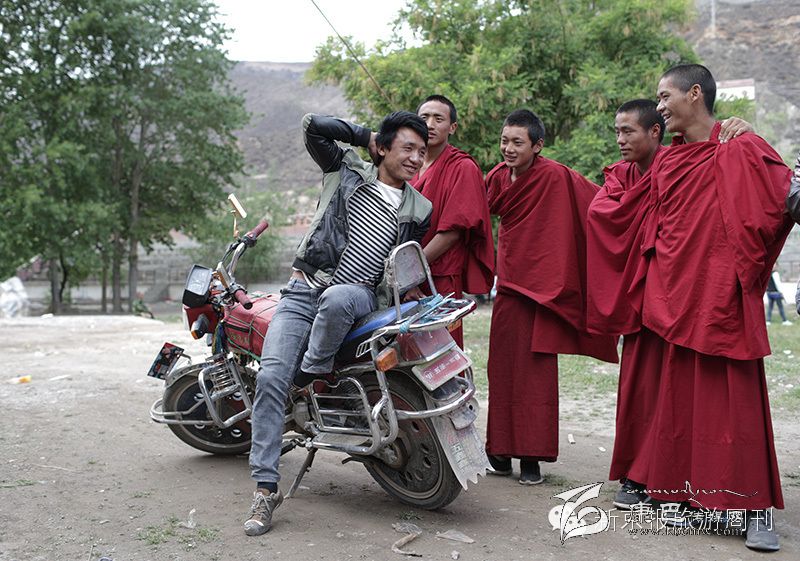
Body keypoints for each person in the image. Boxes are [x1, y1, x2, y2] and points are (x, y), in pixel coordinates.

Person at [588, 64, 791, 552]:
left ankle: (754, 506)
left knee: (735, 404)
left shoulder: (741, 146)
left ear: (694, 94)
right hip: (672, 296)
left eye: (665, 96)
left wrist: (751, 138)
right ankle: (680, 491)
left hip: (723, 297)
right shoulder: (669, 162)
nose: (659, 106)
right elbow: (644, 219)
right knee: (678, 403)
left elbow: (782, 199)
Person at [244, 111, 433, 536]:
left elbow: (401, 266)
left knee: (337, 297)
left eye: (422, 152)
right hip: (301, 292)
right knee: (271, 379)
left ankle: (308, 374)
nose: (416, 158)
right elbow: (312, 125)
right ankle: (265, 488)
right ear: (383, 147)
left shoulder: (420, 209)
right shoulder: (343, 169)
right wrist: (365, 135)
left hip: (358, 298)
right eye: (407, 148)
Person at [588, 101, 756, 510]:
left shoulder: (682, 163)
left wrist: (747, 131)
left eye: (628, 131)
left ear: (655, 133)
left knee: (675, 395)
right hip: (641, 295)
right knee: (640, 390)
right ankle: (635, 473)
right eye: (617, 132)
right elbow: (602, 215)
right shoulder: (621, 176)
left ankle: (668, 478)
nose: (620, 140)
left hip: (678, 295)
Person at [484, 109, 618, 485]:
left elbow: (601, 203)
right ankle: (499, 451)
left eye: (517, 142)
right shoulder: (497, 177)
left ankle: (532, 457)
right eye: (504, 141)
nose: (508, 148)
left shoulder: (556, 176)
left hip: (544, 291)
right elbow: (475, 213)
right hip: (509, 287)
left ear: (537, 145)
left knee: (535, 374)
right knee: (501, 368)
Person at [409, 95, 495, 347]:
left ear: (452, 127)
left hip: (439, 274)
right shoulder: (407, 165)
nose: (430, 124)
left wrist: (410, 273)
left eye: (439, 119)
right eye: (424, 118)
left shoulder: (462, 167)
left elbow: (453, 231)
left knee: (441, 353)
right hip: (401, 277)